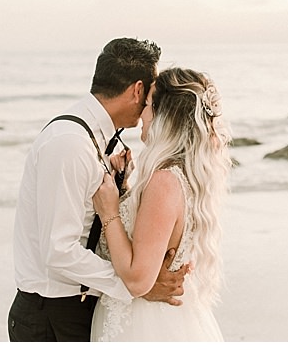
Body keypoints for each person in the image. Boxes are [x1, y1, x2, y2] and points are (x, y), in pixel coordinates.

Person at [8, 38, 189, 342]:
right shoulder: (69, 145)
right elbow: (59, 251)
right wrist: (135, 286)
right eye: (151, 94)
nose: (151, 106)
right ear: (137, 90)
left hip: (81, 306)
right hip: (51, 315)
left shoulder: (100, 138)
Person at [90, 67, 231, 341]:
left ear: (165, 116)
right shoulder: (180, 175)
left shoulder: (164, 182)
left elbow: (137, 278)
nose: (142, 112)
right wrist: (124, 189)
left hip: (144, 324)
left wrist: (108, 212)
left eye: (149, 104)